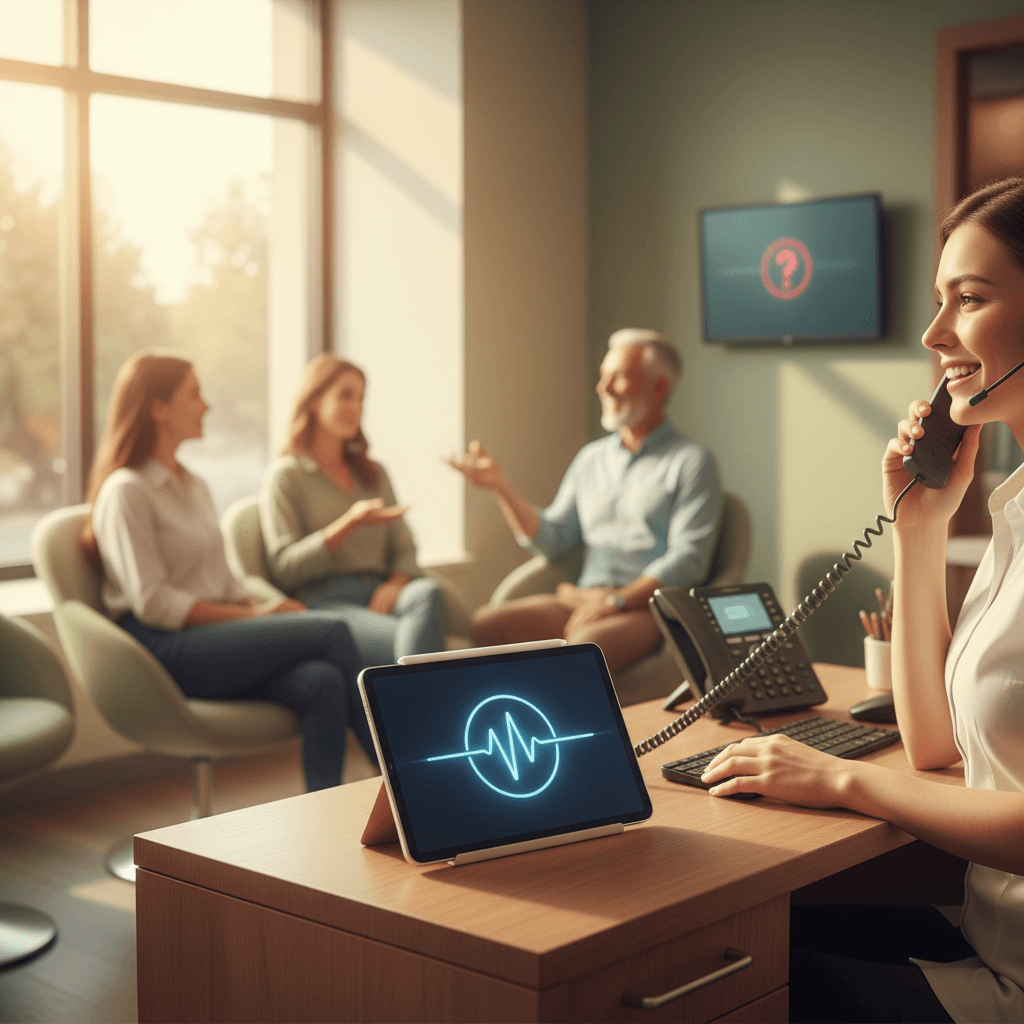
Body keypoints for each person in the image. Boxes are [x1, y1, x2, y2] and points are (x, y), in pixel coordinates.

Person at [701, 177, 1024, 1023]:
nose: (934, 333)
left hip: (1015, 984)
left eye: (970, 299)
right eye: (937, 300)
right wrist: (917, 528)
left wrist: (842, 781)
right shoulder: (1013, 508)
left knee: (726, 979)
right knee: (731, 929)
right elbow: (931, 747)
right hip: (993, 935)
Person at [84, 351, 375, 793]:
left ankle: (325, 815)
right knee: (331, 631)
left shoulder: (194, 485)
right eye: (194, 395)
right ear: (158, 409)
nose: (206, 406)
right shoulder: (127, 491)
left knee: (324, 682)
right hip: (164, 648)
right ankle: (405, 782)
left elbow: (223, 580)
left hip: (213, 638)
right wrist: (256, 620)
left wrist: (260, 604)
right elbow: (156, 605)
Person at [449, 328, 722, 672]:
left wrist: (617, 600)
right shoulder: (591, 459)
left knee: (580, 650)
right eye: (602, 376)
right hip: (584, 598)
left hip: (645, 607)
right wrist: (500, 487)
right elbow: (554, 539)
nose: (602, 388)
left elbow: (689, 559)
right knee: (487, 624)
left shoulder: (692, 461)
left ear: (659, 388)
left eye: (618, 377)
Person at [259, 354, 446, 665]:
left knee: (427, 592)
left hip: (381, 593)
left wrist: (396, 583)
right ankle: (421, 697)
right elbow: (286, 568)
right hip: (327, 603)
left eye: (361, 398)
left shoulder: (374, 474)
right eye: (345, 395)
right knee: (413, 644)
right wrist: (350, 523)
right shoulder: (286, 476)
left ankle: (412, 695)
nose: (356, 407)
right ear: (315, 400)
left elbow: (405, 546)